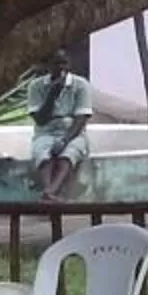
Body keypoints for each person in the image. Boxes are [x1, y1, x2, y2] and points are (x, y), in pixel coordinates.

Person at [28, 48, 92, 200]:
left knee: (68, 154)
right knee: (43, 154)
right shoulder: (36, 86)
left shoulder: (80, 84)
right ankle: (50, 192)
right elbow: (39, 119)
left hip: (72, 132)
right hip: (46, 131)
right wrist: (52, 94)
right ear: (48, 66)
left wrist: (65, 140)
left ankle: (50, 191)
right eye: (56, 63)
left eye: (64, 63)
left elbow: (81, 118)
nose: (61, 67)